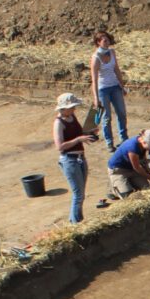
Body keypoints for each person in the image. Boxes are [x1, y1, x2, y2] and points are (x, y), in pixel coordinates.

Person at [53, 92, 99, 223]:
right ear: (64, 108)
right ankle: (75, 223)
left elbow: (78, 133)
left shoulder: (72, 116)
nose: (74, 109)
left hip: (80, 158)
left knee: (81, 193)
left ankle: (77, 219)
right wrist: (79, 139)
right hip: (69, 160)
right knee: (78, 194)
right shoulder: (58, 123)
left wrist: (89, 133)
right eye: (72, 107)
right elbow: (60, 146)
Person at [89, 30, 129, 148]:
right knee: (106, 118)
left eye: (108, 40)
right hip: (103, 89)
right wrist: (96, 98)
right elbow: (94, 79)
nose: (107, 42)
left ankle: (124, 138)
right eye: (104, 40)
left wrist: (122, 86)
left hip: (115, 86)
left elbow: (116, 69)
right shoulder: (96, 58)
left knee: (121, 113)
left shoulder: (112, 52)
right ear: (98, 42)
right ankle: (109, 142)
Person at [108, 130, 150, 198]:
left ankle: (130, 183)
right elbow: (137, 167)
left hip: (132, 169)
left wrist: (149, 174)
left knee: (146, 190)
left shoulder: (142, 144)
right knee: (128, 196)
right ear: (144, 142)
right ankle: (114, 189)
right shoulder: (132, 147)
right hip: (119, 171)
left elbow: (143, 161)